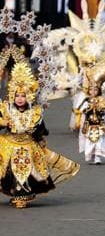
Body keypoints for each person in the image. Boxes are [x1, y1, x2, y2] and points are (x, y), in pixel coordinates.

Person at [0, 62, 80, 208]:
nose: (19, 99)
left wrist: (39, 138)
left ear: (29, 96)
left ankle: (21, 196)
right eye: (17, 95)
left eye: (23, 96)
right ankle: (15, 193)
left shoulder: (35, 112)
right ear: (12, 95)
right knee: (8, 171)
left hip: (27, 146)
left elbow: (40, 129)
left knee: (24, 171)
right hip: (8, 144)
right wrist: (3, 123)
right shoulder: (6, 109)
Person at [79, 80, 105, 165]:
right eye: (91, 90)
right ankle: (93, 157)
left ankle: (98, 157)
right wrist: (89, 108)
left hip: (99, 124)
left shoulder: (101, 100)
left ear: (99, 91)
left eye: (95, 90)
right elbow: (80, 109)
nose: (93, 92)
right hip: (89, 124)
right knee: (90, 141)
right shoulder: (86, 100)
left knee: (99, 141)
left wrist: (98, 108)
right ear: (88, 90)